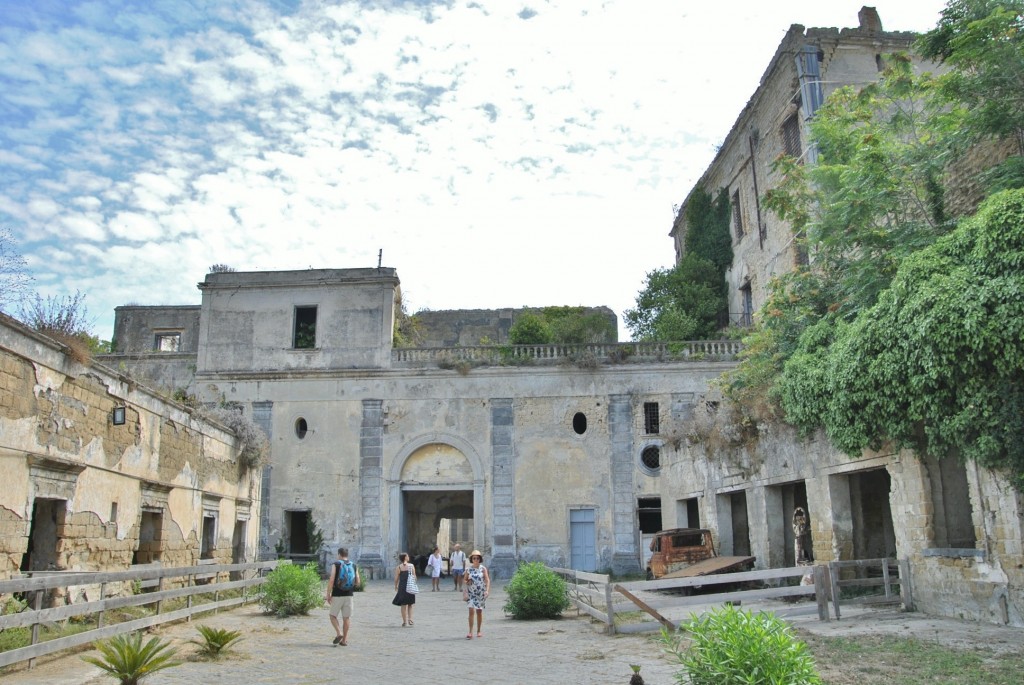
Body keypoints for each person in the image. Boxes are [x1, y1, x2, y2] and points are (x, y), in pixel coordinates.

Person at [325, 547, 360, 646]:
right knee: (346, 618)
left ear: (339, 554)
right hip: (349, 595)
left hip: (337, 594)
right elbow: (358, 581)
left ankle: (338, 633)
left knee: (332, 616)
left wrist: (328, 594)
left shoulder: (336, 564)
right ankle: (344, 640)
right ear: (347, 554)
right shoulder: (353, 565)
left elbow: (332, 580)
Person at [463, 549, 490, 639]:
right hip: (471, 593)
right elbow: (465, 580)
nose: (476, 560)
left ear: (480, 559)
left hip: (480, 593)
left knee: (479, 611)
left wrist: (487, 590)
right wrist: (467, 581)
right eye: (474, 558)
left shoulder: (483, 569)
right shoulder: (468, 569)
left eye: (477, 558)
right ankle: (470, 631)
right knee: (471, 611)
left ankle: (478, 630)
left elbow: (487, 579)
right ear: (471, 559)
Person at [392, 552, 417, 626]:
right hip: (410, 586)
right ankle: (410, 619)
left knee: (403, 605)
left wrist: (395, 586)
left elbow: (396, 578)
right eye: (407, 556)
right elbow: (414, 577)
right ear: (405, 558)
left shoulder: (399, 567)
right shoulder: (411, 566)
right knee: (410, 604)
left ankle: (404, 621)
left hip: (402, 587)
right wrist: (414, 583)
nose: (408, 557)